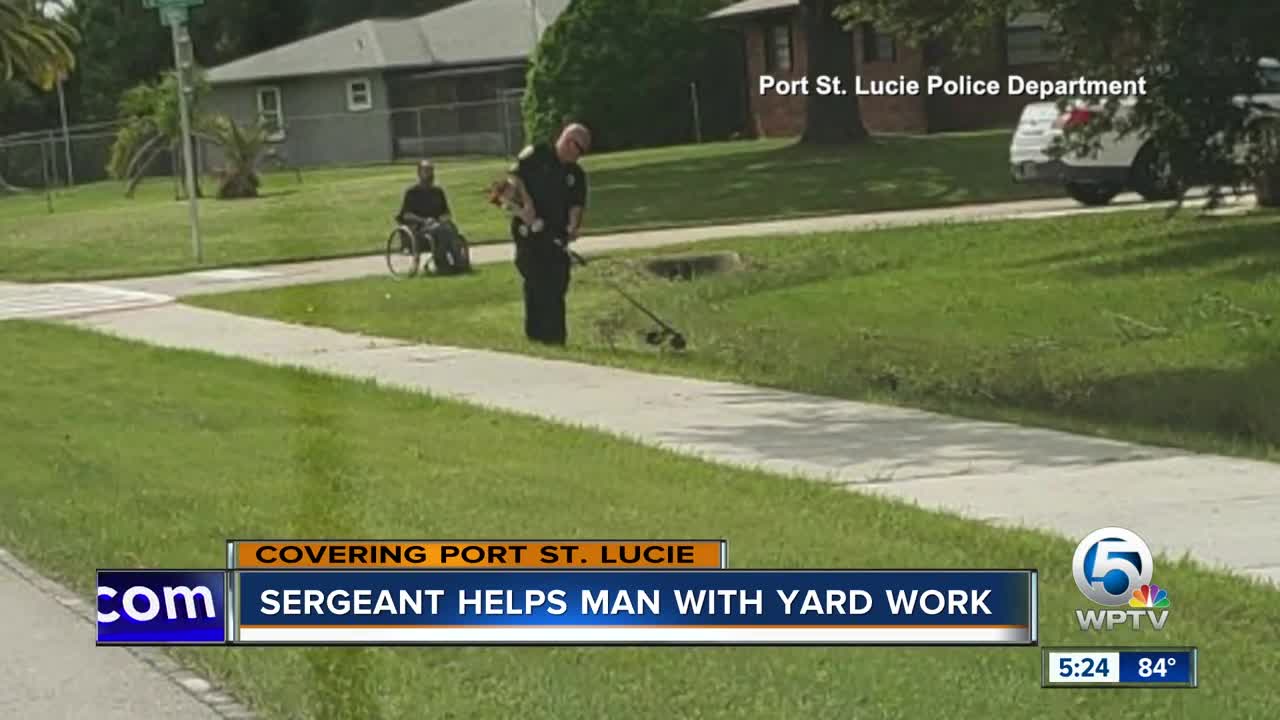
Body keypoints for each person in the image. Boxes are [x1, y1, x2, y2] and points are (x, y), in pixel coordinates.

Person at [506, 123, 591, 345]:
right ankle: (536, 337)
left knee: (557, 283)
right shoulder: (537, 154)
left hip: (556, 235)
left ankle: (556, 338)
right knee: (536, 282)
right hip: (530, 233)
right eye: (578, 149)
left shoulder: (575, 173)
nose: (579, 155)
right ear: (568, 140)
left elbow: (576, 203)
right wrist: (526, 204)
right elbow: (513, 179)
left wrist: (573, 225)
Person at [396, 159, 467, 274]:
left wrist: (445, 218)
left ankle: (458, 262)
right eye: (426, 171)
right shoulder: (412, 192)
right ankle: (443, 263)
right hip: (420, 229)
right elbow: (405, 215)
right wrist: (424, 220)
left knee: (449, 227)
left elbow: (446, 212)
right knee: (442, 230)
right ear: (419, 173)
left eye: (431, 170)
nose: (430, 174)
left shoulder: (438, 192)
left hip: (439, 225)